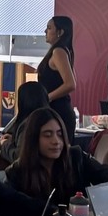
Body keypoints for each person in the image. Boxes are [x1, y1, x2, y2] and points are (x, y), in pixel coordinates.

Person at [4, 107, 108, 206]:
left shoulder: (76, 157)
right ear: (33, 139)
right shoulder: (16, 173)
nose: (56, 141)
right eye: (48, 135)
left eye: (60, 134)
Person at [37, 15, 78, 146]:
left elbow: (71, 84)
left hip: (58, 111)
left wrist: (47, 97)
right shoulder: (63, 51)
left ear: (60, 32)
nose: (45, 31)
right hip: (57, 111)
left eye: (49, 28)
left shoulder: (58, 52)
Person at [0, 81, 50, 168]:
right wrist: (15, 139)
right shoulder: (51, 120)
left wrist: (4, 144)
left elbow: (19, 157)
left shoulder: (28, 124)